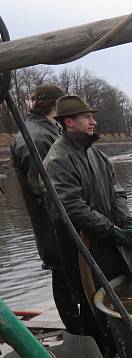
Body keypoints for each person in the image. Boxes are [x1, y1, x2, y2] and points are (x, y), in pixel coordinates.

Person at [43, 95, 132, 345]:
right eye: (87, 117)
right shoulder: (58, 160)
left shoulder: (96, 155)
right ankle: (103, 354)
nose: (93, 122)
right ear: (69, 122)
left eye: (92, 116)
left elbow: (116, 191)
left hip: (108, 241)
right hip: (82, 249)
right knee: (91, 303)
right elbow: (72, 207)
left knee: (122, 291)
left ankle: (126, 345)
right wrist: (111, 230)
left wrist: (125, 224)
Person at [10, 84, 79, 332]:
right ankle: (77, 333)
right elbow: (43, 188)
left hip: (62, 224)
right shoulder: (36, 137)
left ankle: (81, 331)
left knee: (70, 278)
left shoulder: (48, 130)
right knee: (64, 279)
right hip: (54, 227)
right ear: (54, 104)